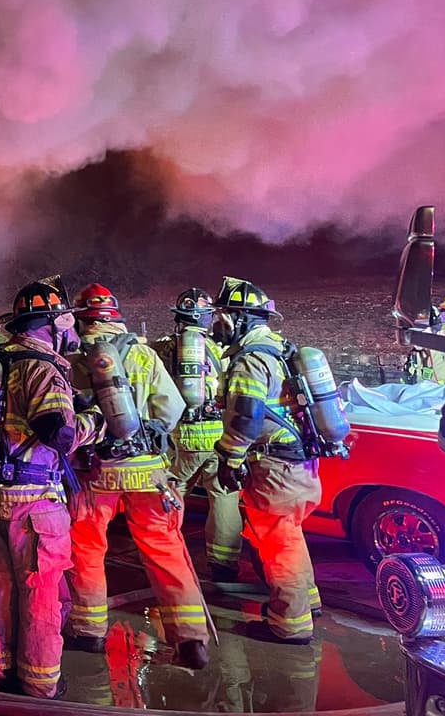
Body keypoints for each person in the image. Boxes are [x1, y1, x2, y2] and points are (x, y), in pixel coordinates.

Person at [0, 276, 104, 698]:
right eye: (65, 320)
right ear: (52, 322)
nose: (69, 328)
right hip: (34, 504)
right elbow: (57, 434)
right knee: (41, 592)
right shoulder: (41, 367)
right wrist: (94, 424)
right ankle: (41, 685)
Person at [65, 282, 210, 670]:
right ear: (116, 317)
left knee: (87, 549)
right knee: (165, 550)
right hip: (149, 472)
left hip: (96, 472)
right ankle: (192, 639)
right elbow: (172, 407)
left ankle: (89, 632)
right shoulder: (144, 354)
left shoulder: (76, 359)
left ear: (83, 320)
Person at [212, 277, 319, 644]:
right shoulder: (281, 350)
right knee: (291, 534)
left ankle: (290, 624)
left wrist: (229, 457)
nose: (217, 323)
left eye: (223, 315)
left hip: (276, 467)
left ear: (239, 318)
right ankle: (310, 601)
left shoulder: (250, 360)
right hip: (299, 463)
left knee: (278, 543)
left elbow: (245, 417)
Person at [152, 288, 243, 582]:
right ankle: (223, 565)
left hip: (184, 437)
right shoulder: (220, 349)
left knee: (173, 493)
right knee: (225, 497)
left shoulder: (166, 348)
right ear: (207, 318)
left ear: (179, 319)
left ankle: (163, 553)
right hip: (218, 435)